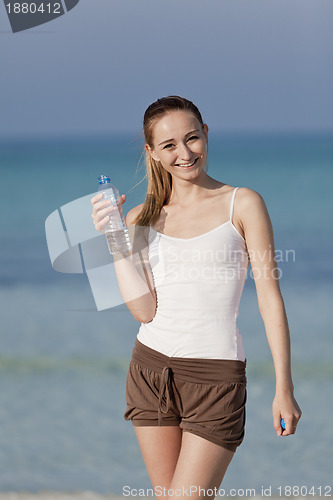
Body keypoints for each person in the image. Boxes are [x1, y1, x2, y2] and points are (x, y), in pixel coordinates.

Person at [91, 96, 302, 499]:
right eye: (169, 145)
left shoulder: (243, 203)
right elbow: (144, 310)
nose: (184, 153)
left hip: (215, 377)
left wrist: (283, 387)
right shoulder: (139, 218)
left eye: (192, 139)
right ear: (151, 152)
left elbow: (270, 298)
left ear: (206, 135)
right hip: (150, 370)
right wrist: (116, 242)